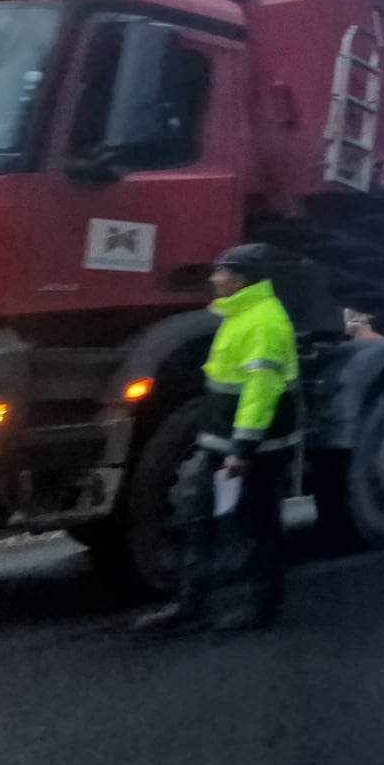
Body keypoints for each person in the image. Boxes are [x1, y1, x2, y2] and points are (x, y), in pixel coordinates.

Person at [135, 244, 299, 634]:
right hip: (219, 441)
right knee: (200, 517)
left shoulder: (266, 323)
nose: (214, 279)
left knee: (258, 525)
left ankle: (262, 607)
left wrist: (243, 447)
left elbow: (260, 392)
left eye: (221, 272)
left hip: (256, 447)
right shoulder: (239, 314)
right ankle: (191, 605)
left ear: (241, 279)